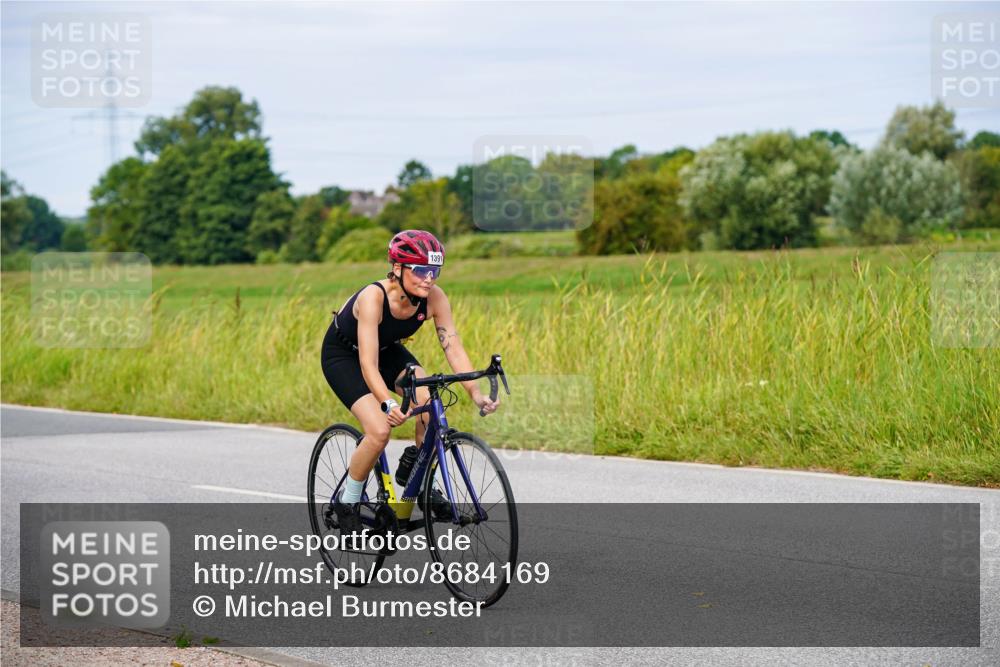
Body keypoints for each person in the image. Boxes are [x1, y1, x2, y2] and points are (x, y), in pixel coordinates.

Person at [320, 229, 499, 535]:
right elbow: (367, 363)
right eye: (421, 270)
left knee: (429, 402)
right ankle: (347, 502)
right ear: (399, 268)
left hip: (388, 351)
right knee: (378, 430)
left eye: (435, 271)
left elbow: (452, 346)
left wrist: (476, 393)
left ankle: (417, 475)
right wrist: (387, 402)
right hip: (345, 356)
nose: (429, 279)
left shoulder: (435, 298)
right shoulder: (373, 297)